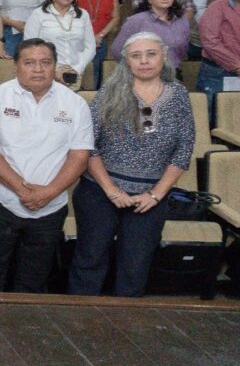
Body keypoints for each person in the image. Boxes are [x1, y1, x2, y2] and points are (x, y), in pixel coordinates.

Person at [69, 32, 195, 297]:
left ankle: (126, 321)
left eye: (151, 54)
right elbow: (87, 144)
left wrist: (155, 195)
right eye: (136, 56)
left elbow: (184, 148)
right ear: (127, 61)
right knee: (90, 261)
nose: (144, 61)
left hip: (149, 199)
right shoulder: (109, 92)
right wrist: (112, 191)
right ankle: (80, 318)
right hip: (99, 192)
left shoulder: (179, 95)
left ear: (163, 56)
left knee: (135, 268)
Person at [0, 38, 93, 292]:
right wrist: (23, 190)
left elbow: (80, 157)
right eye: (29, 63)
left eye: (45, 62)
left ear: (55, 66)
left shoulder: (75, 104)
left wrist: (48, 193)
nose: (38, 69)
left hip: (50, 207)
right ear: (16, 65)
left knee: (34, 280)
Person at [24, 0, 97, 89]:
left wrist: (77, 69)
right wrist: (53, 70)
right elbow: (30, 47)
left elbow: (90, 47)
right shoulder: (38, 14)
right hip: (44, 72)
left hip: (75, 74)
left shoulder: (83, 15)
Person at [112, 0, 189, 69]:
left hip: (173, 71)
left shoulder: (181, 20)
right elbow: (117, 50)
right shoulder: (136, 20)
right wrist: (133, 67)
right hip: (142, 71)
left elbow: (183, 49)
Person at [196, 0, 240, 116]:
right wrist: (236, 65)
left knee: (235, 119)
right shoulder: (217, 7)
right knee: (210, 118)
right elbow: (210, 41)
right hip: (216, 72)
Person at [77, 0, 119, 85]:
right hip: (76, 39)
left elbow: (116, 17)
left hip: (100, 41)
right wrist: (86, 37)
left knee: (94, 76)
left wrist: (100, 35)